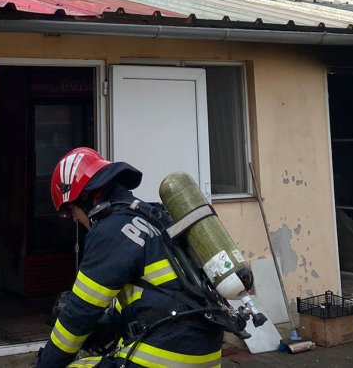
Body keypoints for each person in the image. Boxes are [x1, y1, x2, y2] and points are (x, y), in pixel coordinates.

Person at [38, 147, 224, 368]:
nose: (73, 219)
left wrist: (47, 364)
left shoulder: (111, 229)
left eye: (70, 211)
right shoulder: (151, 216)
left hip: (168, 354)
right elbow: (152, 295)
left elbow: (79, 314)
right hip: (207, 354)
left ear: (85, 196)